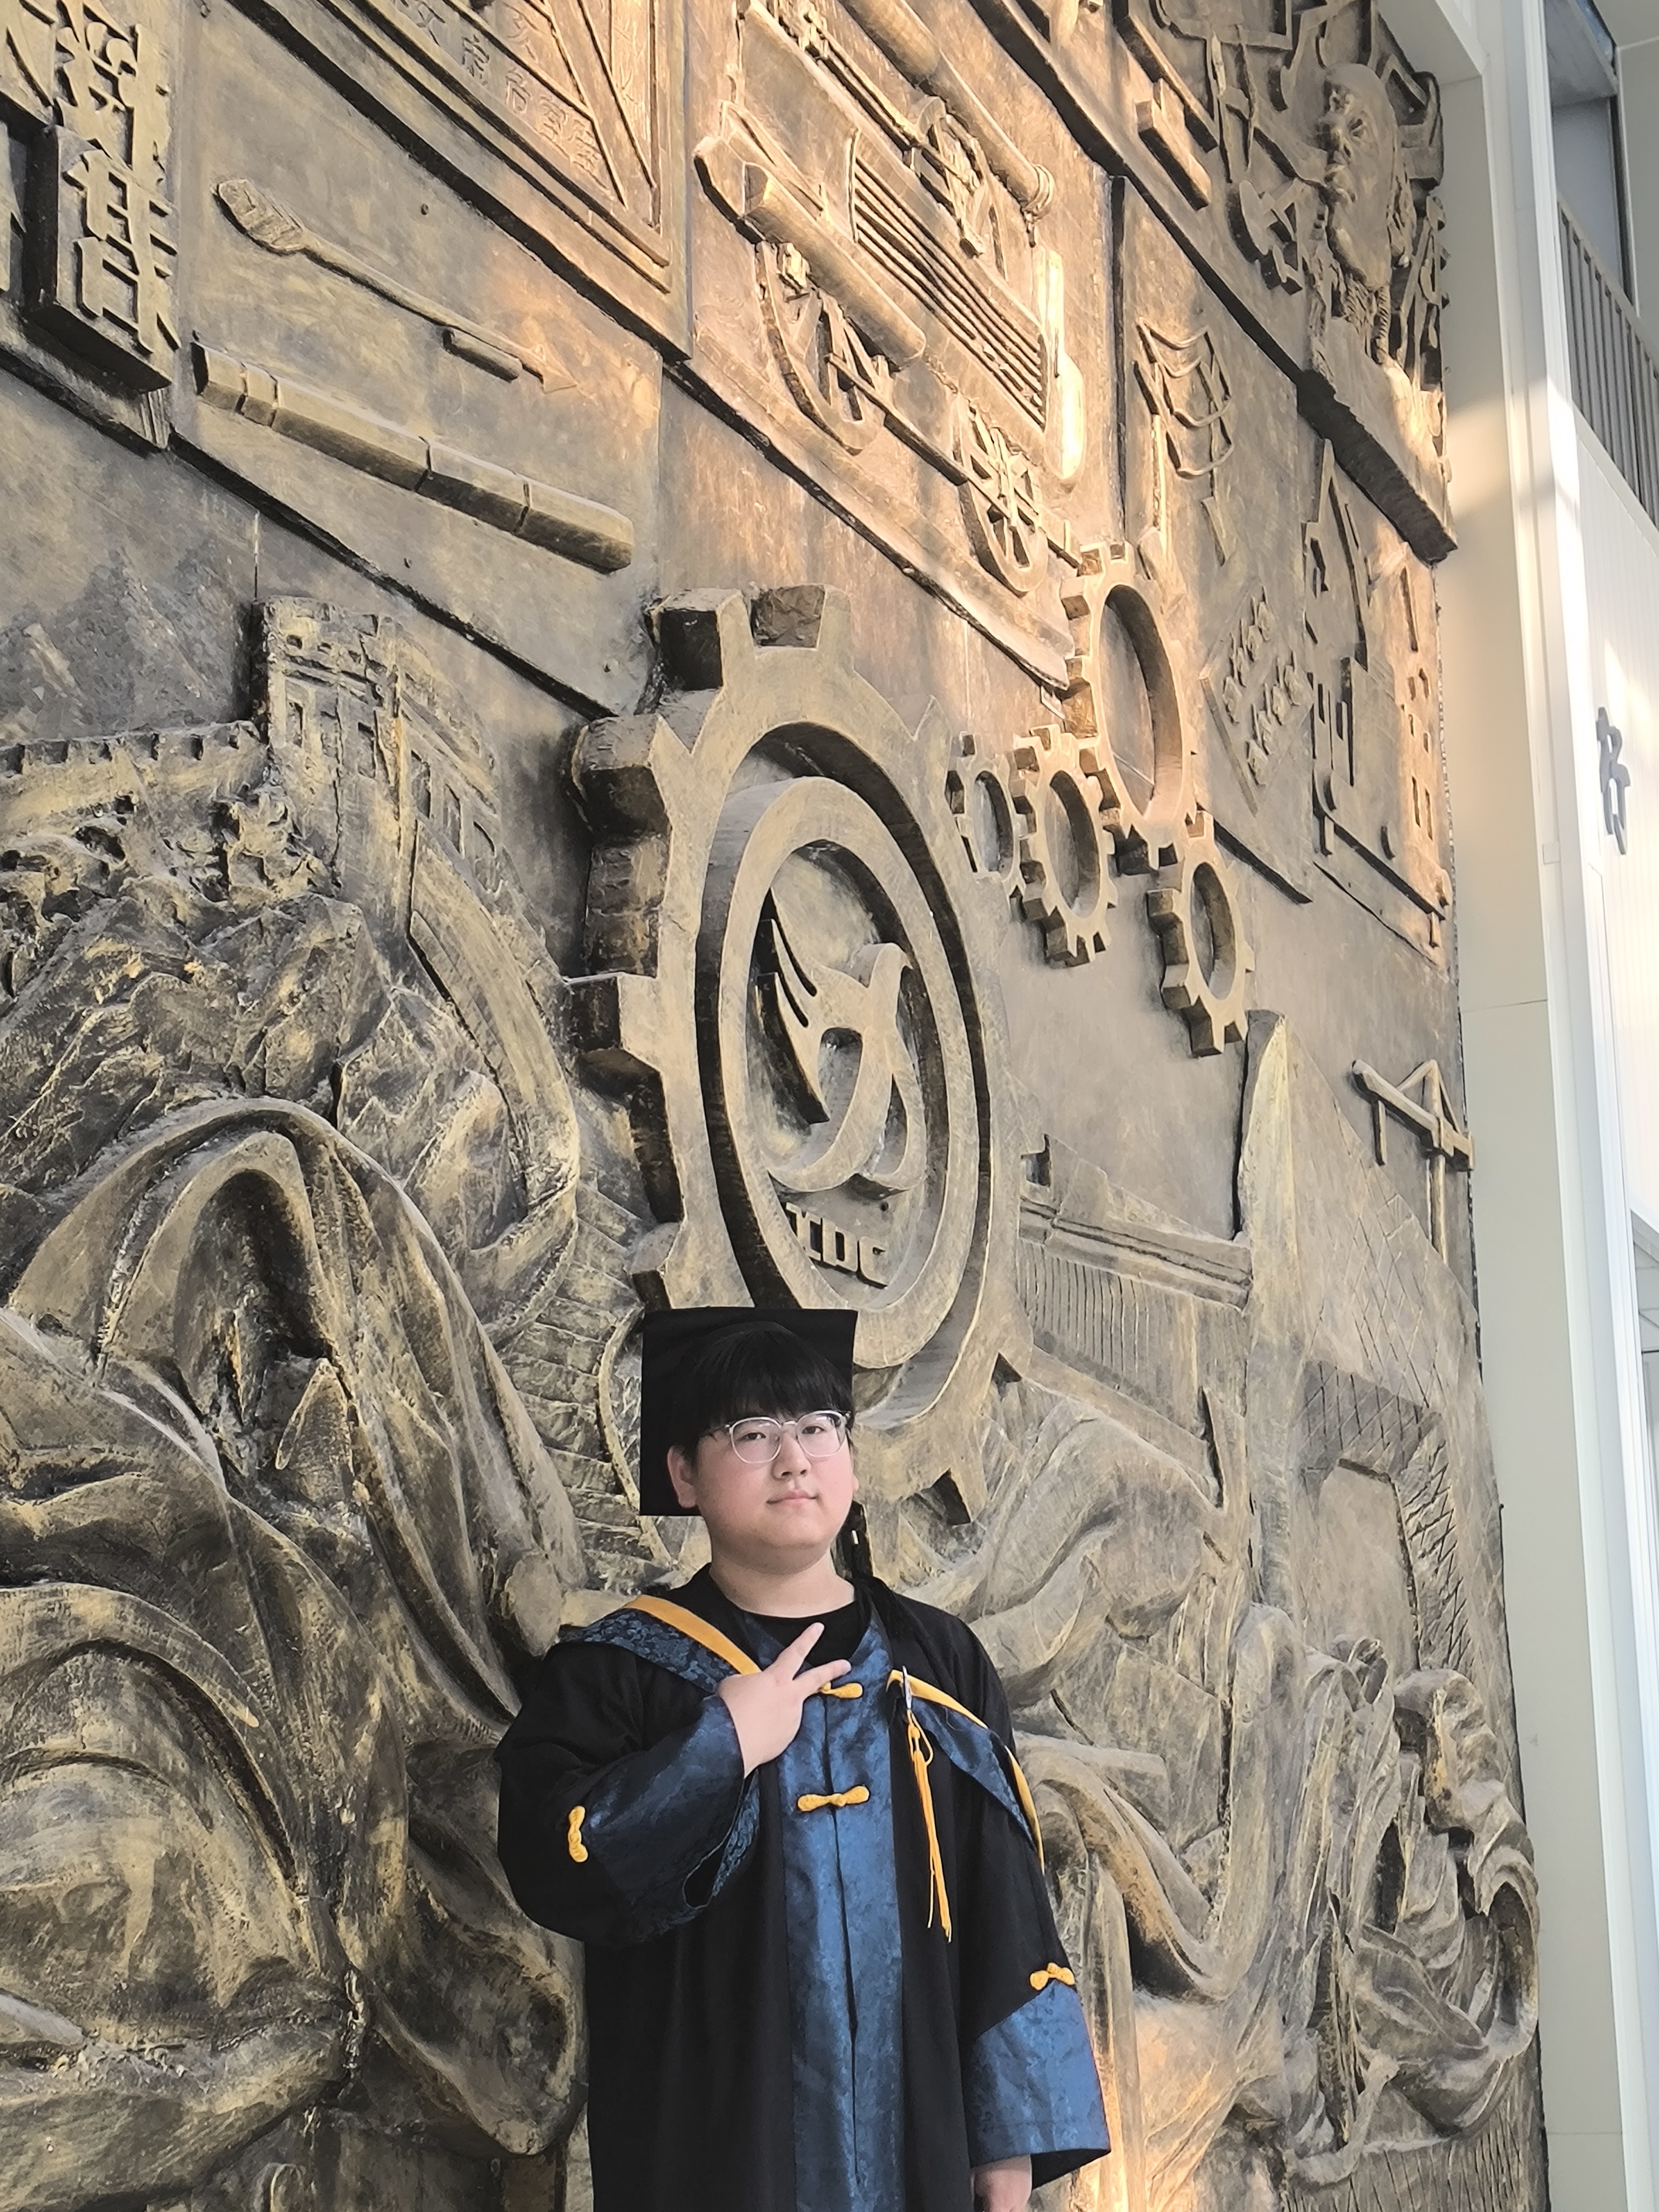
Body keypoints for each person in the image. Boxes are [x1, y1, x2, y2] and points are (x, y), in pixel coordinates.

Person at [495, 1308, 1110, 2212]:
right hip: (712, 2149)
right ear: (683, 1473)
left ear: (850, 1461)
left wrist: (1007, 2142)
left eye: (819, 1428)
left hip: (922, 2144)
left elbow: (1005, 1903)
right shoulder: (620, 1672)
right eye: (753, 1434)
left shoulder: (939, 1664)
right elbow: (552, 1864)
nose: (794, 1460)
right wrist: (721, 1746)